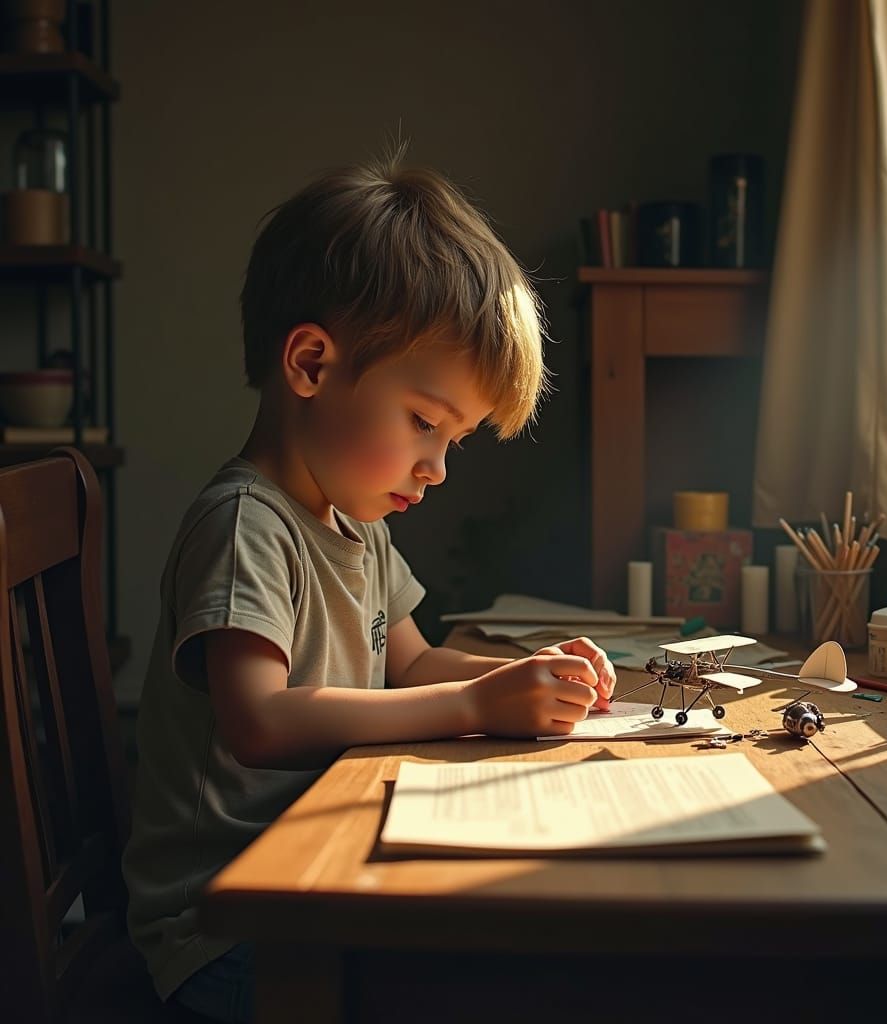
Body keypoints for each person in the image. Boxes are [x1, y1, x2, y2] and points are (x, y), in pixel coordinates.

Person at [121, 150, 617, 1023]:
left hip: (317, 872)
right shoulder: (245, 525)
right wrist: (475, 706)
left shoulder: (357, 525)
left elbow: (412, 662)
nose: (437, 467)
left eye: (453, 440)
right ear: (311, 365)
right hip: (228, 930)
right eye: (425, 422)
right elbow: (259, 722)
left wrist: (524, 677)